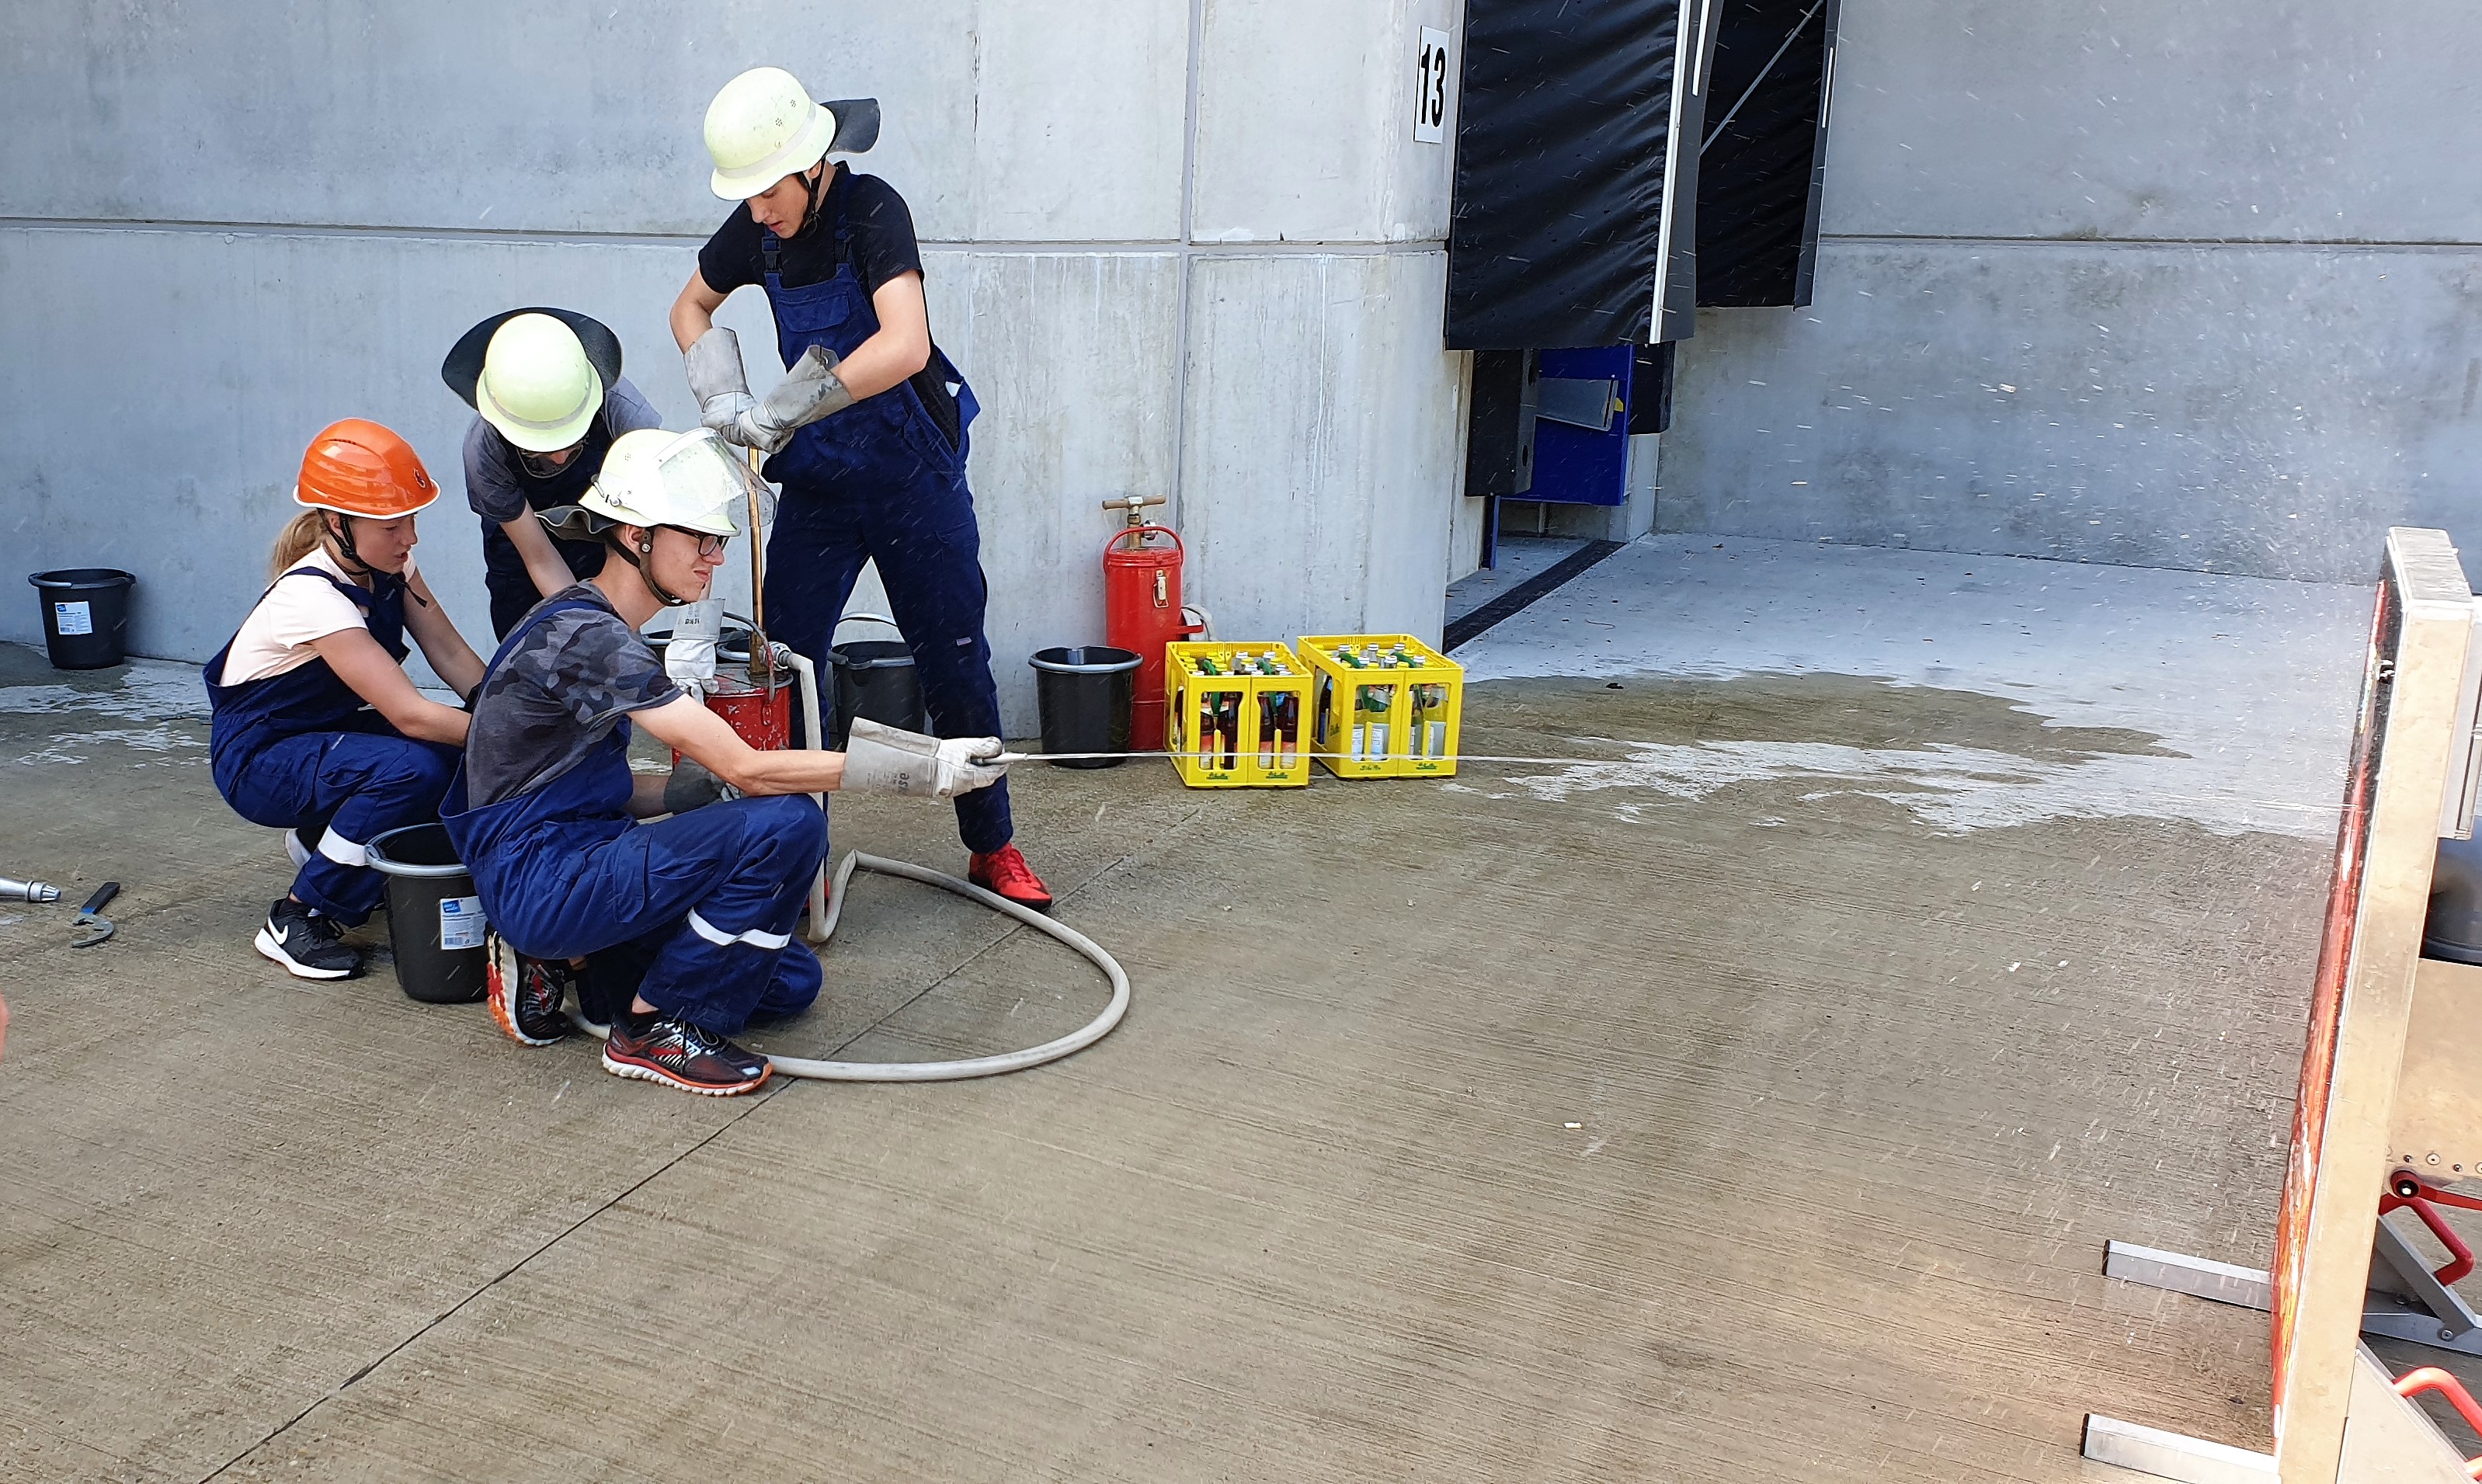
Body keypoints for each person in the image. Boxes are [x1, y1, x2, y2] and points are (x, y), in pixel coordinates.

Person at [440, 427, 1010, 1096]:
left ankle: (594, 969)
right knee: (792, 823)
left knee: (793, 980)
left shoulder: (595, 624)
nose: (714, 557)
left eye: (719, 541)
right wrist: (922, 766)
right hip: (540, 877)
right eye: (699, 539)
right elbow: (749, 767)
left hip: (576, 858)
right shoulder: (587, 636)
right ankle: (649, 1030)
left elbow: (592, 786)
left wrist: (683, 794)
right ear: (636, 535)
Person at [668, 65, 1055, 912]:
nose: (757, 210)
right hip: (820, 485)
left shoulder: (872, 210)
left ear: (809, 162)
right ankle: (786, 858)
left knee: (956, 664)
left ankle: (991, 846)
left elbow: (905, 345)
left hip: (912, 474)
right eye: (746, 195)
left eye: (766, 189)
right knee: (785, 666)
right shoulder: (756, 229)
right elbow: (689, 310)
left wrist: (784, 405)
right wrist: (723, 395)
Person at [206, 419, 486, 979]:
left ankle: (322, 841)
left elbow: (449, 651)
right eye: (392, 524)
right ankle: (297, 917)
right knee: (412, 768)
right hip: (257, 759)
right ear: (337, 523)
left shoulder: (390, 565)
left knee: (456, 755)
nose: (410, 537)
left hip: (322, 737)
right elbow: (409, 713)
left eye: (411, 518)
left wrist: (499, 707)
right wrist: (515, 738)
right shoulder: (313, 595)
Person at [440, 309, 665, 639]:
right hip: (523, 556)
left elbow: (653, 532)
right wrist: (590, 631)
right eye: (539, 449)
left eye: (573, 442)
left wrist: (619, 635)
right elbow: (540, 558)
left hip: (608, 541)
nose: (560, 458)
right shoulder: (483, 451)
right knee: (531, 649)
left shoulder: (625, 414)